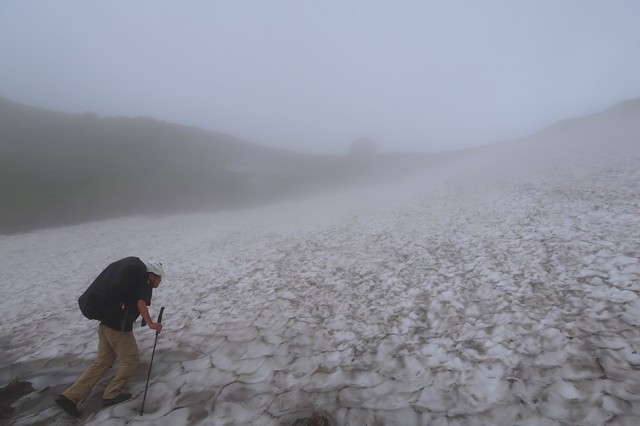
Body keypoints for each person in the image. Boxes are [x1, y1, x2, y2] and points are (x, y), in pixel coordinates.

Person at [54, 257, 164, 418]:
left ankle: (69, 397)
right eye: (159, 278)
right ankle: (112, 393)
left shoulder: (133, 283)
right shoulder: (144, 283)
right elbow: (141, 303)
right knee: (131, 359)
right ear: (152, 275)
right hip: (118, 329)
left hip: (106, 324)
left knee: (102, 362)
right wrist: (151, 324)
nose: (160, 282)